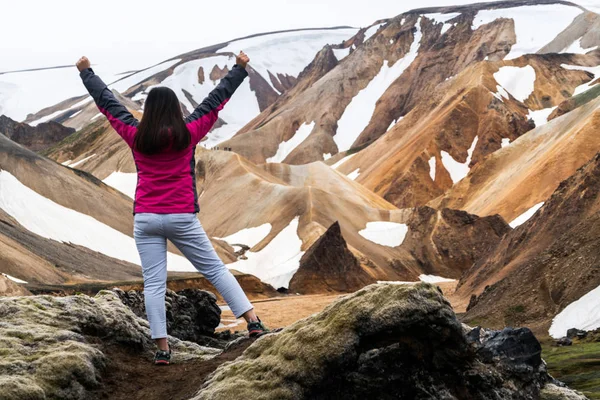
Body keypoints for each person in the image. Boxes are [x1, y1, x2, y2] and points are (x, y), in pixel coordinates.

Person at [76, 52, 268, 366]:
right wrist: (239, 69)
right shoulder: (188, 133)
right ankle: (253, 322)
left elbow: (108, 104)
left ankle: (163, 350)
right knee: (216, 270)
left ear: (149, 112)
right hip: (182, 217)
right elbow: (215, 100)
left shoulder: (136, 137)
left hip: (147, 218)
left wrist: (87, 73)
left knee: (154, 283)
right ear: (175, 110)